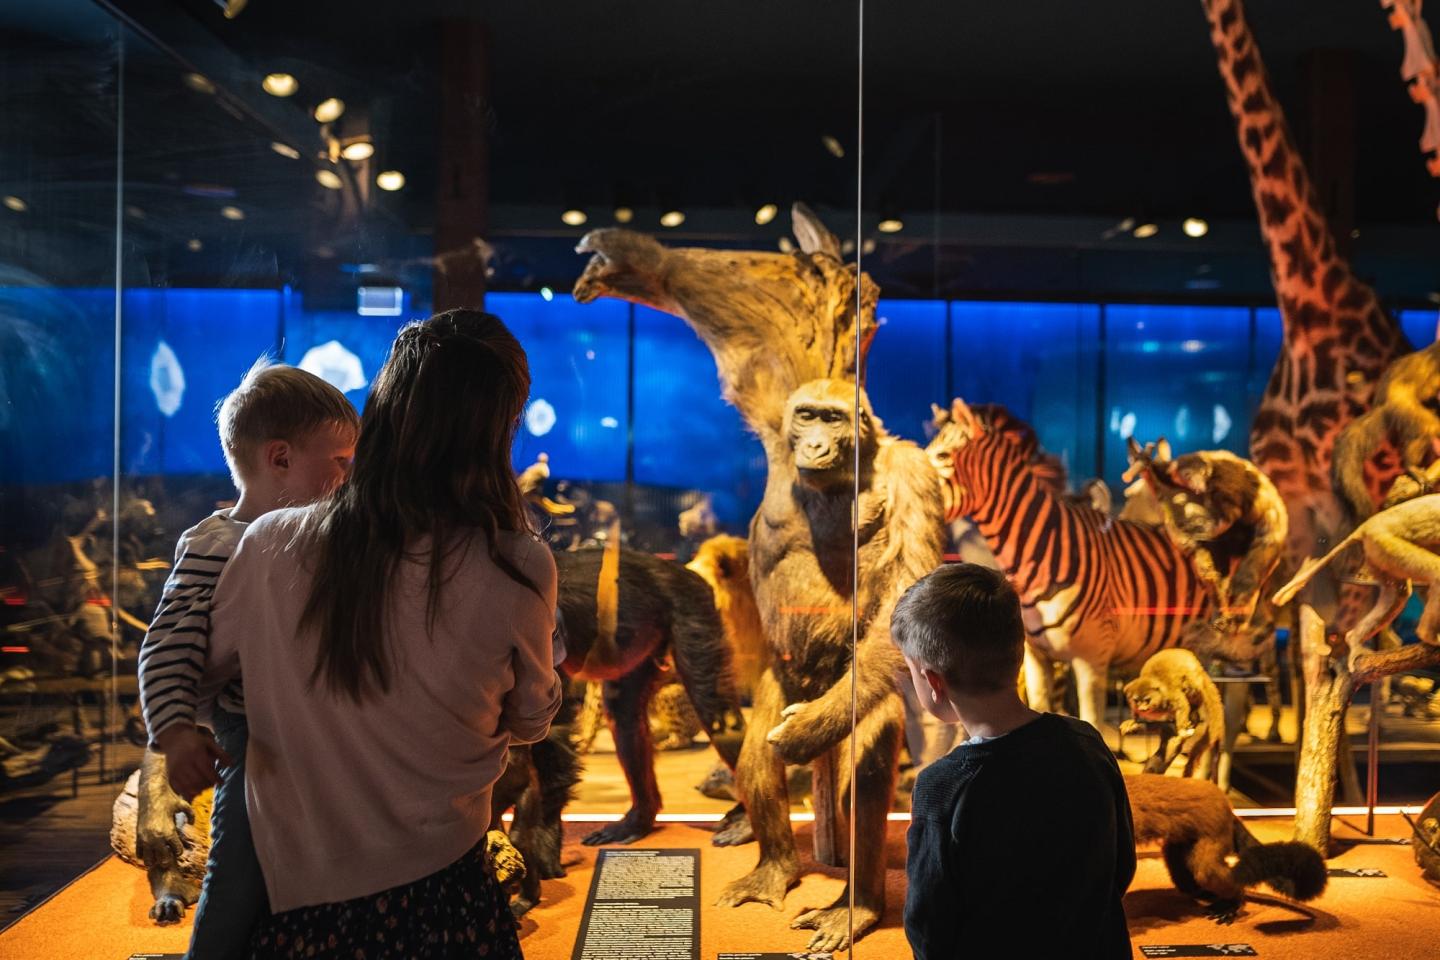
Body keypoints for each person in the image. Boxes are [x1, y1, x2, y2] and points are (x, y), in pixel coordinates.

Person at [199, 310, 560, 958]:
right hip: (448, 895)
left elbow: (203, 675)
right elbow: (532, 722)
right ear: (502, 426)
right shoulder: (519, 562)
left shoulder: (270, 543)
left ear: (385, 409)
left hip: (299, 904)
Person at [139, 360, 359, 960]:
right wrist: (176, 731)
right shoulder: (215, 545)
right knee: (236, 873)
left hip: (326, 735)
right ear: (281, 458)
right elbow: (169, 643)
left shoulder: (327, 536)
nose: (350, 473)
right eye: (339, 460)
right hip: (255, 738)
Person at [890, 563, 1135, 959]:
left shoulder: (942, 786)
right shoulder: (1087, 743)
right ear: (1019, 651)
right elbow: (1120, 865)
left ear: (933, 683)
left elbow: (929, 924)